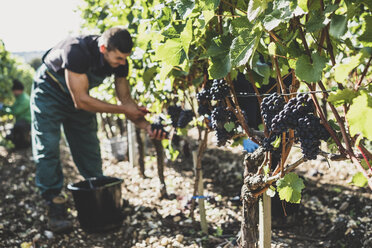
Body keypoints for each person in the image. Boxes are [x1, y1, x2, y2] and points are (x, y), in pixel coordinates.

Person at [31, 27, 166, 233]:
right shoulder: (76, 50)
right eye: (119, 58)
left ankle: (99, 196)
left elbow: (126, 100)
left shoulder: (120, 62)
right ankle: (55, 204)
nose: (123, 63)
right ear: (104, 48)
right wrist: (123, 110)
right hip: (50, 93)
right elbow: (81, 101)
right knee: (48, 146)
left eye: (125, 58)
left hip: (80, 97)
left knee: (89, 147)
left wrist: (147, 127)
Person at [0, 79, 31, 149]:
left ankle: (25, 145)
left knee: (17, 128)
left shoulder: (25, 99)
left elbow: (14, 111)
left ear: (18, 90)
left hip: (26, 122)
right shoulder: (20, 98)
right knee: (16, 129)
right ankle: (20, 145)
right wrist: (4, 106)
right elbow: (13, 107)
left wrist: (3, 109)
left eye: (14, 91)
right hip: (21, 122)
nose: (13, 93)